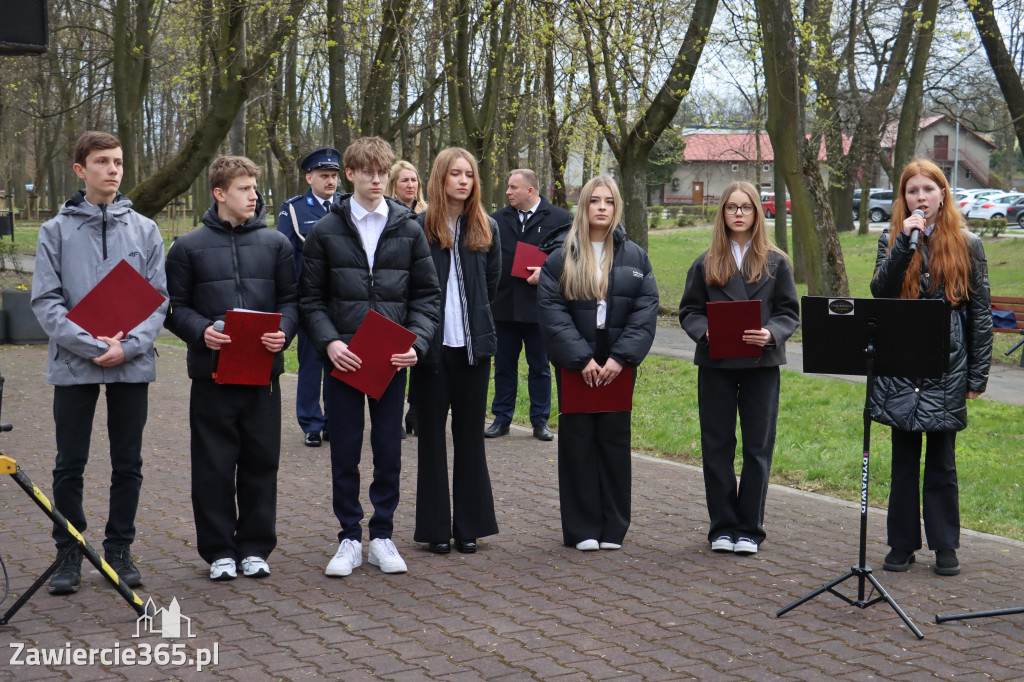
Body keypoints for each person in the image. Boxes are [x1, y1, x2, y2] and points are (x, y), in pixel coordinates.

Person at [31, 131, 169, 594]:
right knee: (70, 462)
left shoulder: (146, 230)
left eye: (119, 161)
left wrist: (127, 347)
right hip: (74, 364)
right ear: (80, 170)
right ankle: (69, 551)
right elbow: (46, 303)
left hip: (131, 362)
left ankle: (118, 549)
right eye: (103, 162)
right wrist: (93, 346)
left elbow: (159, 301)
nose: (113, 169)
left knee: (127, 461)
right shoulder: (55, 231)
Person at [300, 136, 440, 577]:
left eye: (383, 171)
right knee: (344, 448)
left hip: (390, 359)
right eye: (368, 171)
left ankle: (381, 535)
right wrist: (329, 343)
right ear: (351, 175)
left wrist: (415, 343)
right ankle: (347, 538)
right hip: (344, 358)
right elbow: (310, 300)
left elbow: (427, 297)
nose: (377, 179)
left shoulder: (408, 227)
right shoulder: (325, 230)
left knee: (388, 448)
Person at [164, 156, 299, 581]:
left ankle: (256, 548)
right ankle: (220, 551)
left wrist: (285, 335)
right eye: (245, 188)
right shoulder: (187, 248)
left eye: (255, 187)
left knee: (262, 463)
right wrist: (201, 330)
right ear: (220, 193)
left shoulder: (277, 244)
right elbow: (173, 309)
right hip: (212, 376)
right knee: (213, 466)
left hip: (264, 378)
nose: (254, 195)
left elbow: (291, 302)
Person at [870, 159, 992, 576]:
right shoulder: (892, 240)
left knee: (942, 460)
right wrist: (905, 244)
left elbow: (980, 313)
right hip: (902, 362)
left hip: (947, 364)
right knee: (903, 458)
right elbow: (880, 293)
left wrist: (978, 375)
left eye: (927, 189)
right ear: (903, 199)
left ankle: (945, 545)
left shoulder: (968, 243)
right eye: (911, 191)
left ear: (943, 194)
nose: (920, 197)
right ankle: (902, 544)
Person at [536, 175, 658, 551]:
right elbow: (552, 312)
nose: (602, 207)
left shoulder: (635, 256)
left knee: (614, 442)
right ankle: (581, 528)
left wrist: (621, 358)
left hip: (618, 361)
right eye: (595, 201)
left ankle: (612, 528)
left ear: (616, 206)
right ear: (584, 207)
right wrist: (580, 357)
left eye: (608, 201)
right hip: (577, 363)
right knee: (578, 444)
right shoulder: (562, 256)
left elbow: (645, 310)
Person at [678, 181, 799, 556]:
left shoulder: (776, 262)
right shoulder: (706, 261)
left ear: (757, 213)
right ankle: (722, 527)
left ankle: (749, 528)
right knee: (717, 446)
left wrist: (771, 333)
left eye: (746, 207)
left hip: (761, 364)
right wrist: (706, 332)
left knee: (757, 448)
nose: (739, 214)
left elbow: (789, 312)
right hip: (716, 363)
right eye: (732, 208)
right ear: (723, 213)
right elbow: (689, 311)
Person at [412, 148, 501, 555]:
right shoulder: (417, 228)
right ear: (440, 179)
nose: (463, 181)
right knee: (431, 439)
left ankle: (470, 526)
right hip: (430, 352)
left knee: (469, 438)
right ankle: (434, 528)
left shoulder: (486, 228)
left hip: (472, 351)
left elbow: (492, 284)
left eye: (469, 174)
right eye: (455, 174)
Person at [487, 169, 573, 441]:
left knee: (539, 367)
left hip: (540, 308)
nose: (508, 192)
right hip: (504, 307)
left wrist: (548, 271)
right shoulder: (496, 220)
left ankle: (540, 421)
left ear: (530, 191)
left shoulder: (561, 219)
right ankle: (501, 418)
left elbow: (572, 257)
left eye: (513, 187)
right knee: (503, 366)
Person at [277, 147, 341, 447]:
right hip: (310, 297)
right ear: (309, 177)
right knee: (312, 361)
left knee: (339, 362)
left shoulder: (347, 206)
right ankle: (311, 423)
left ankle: (334, 420)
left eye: (334, 176)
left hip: (342, 299)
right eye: (324, 176)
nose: (330, 182)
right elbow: (284, 257)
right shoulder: (294, 209)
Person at [384, 159, 429, 436]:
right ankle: (393, 412)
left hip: (423, 291)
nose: (411, 185)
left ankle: (416, 409)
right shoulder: (386, 213)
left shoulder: (427, 213)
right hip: (397, 291)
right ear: (393, 185)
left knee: (421, 353)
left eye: (414, 181)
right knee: (396, 354)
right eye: (405, 181)